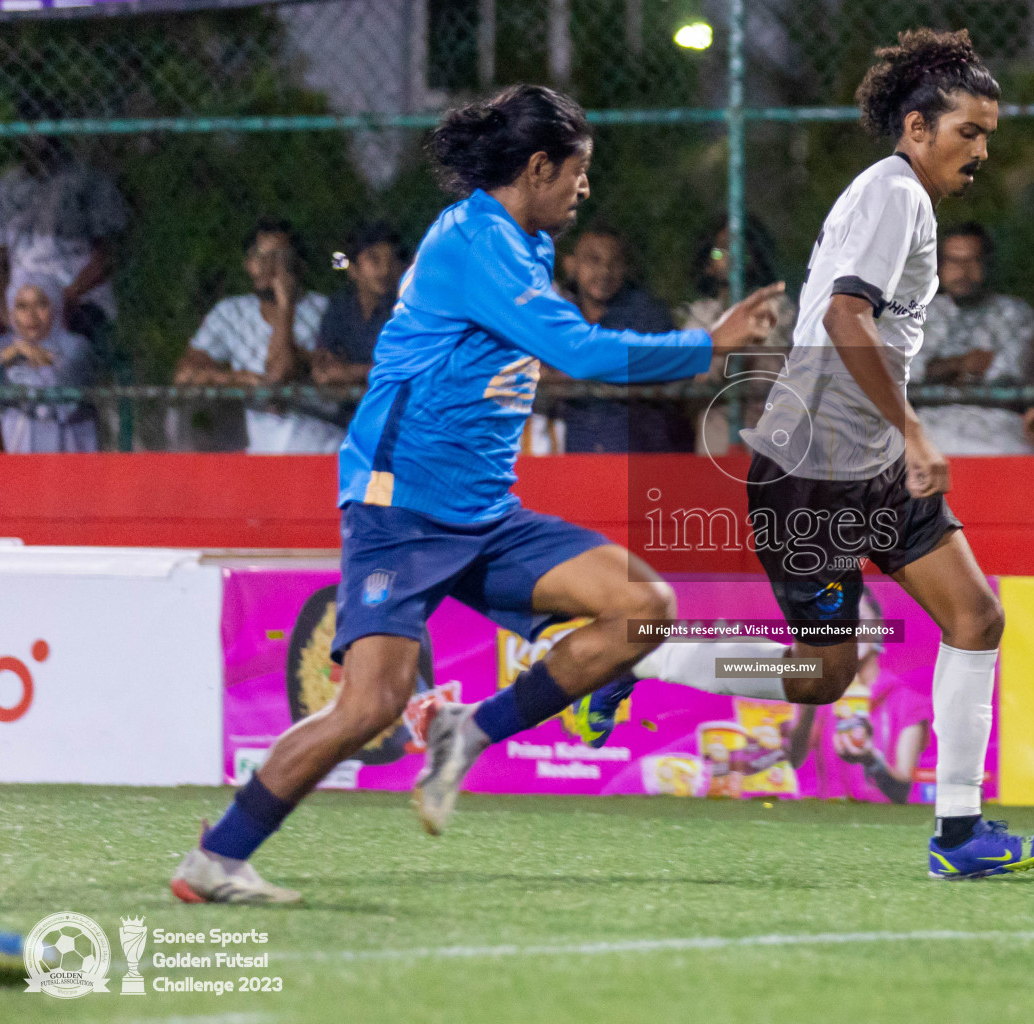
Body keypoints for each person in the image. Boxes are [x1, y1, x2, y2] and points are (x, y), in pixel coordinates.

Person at [168, 84, 780, 903]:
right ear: (537, 167)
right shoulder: (474, 242)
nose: (584, 189)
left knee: (642, 605)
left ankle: (469, 728)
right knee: (370, 705)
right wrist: (708, 343)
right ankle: (216, 859)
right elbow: (581, 353)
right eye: (577, 172)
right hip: (402, 508)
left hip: (484, 512)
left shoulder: (520, 246)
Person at [561, 31, 1034, 879]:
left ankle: (960, 835)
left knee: (975, 617)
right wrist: (913, 431)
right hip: (815, 466)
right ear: (916, 127)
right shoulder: (894, 195)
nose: (981, 151)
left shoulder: (902, 196)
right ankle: (643, 653)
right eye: (969, 133)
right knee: (820, 675)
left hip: (858, 460)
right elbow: (842, 318)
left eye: (988, 135)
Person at [173, 219, 337, 454]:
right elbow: (184, 373)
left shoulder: (324, 310)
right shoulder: (230, 312)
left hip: (318, 437)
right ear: (248, 264)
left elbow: (279, 375)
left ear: (298, 265)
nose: (268, 267)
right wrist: (232, 379)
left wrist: (285, 305)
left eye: (279, 258)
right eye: (259, 257)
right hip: (260, 442)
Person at [554, 223, 695, 453]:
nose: (605, 272)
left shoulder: (647, 314)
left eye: (614, 262)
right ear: (571, 265)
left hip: (641, 452)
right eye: (594, 260)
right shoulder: (560, 314)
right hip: (579, 452)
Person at [784, 592, 933, 804]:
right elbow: (795, 760)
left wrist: (871, 760)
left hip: (884, 828)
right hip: (828, 825)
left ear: (878, 628)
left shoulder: (908, 702)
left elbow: (902, 790)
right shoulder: (823, 695)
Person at [908, 221, 1034, 454]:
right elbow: (907, 372)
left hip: (998, 431)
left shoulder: (1014, 313)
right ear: (939, 267)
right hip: (931, 428)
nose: (963, 271)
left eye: (973, 260)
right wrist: (963, 364)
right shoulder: (918, 315)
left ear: (988, 265)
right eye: (954, 261)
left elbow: (1005, 374)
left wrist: (939, 369)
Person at [0, 133, 128, 368]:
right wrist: (8, 312)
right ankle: (16, 399)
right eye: (30, 135)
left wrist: (64, 299)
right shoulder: (6, 189)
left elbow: (107, 257)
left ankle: (63, 399)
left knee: (63, 346)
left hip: (76, 294)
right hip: (20, 298)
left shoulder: (87, 182)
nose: (38, 143)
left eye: (45, 135)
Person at [678, 214, 798, 455]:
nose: (731, 257)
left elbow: (771, 375)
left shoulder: (777, 307)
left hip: (767, 428)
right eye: (719, 252)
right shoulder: (701, 314)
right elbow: (695, 382)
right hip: (715, 436)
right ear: (708, 265)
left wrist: (722, 349)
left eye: (741, 249)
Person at [0, 274, 97, 453]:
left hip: (68, 443)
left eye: (41, 304)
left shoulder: (75, 345)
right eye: (22, 306)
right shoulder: (5, 346)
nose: (31, 315)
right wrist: (6, 356)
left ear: (56, 307)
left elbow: (70, 395)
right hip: (18, 446)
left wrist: (41, 358)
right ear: (12, 312)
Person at [312, 221, 409, 388]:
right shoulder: (340, 306)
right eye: (374, 258)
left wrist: (351, 372)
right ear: (353, 269)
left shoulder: (405, 308)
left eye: (391, 259)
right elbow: (323, 367)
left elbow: (405, 368)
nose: (385, 269)